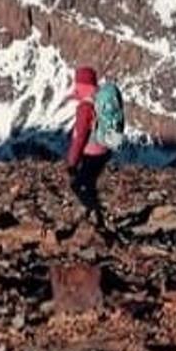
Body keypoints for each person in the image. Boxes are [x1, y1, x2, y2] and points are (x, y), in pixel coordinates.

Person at [64, 65, 115, 236]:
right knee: (90, 183)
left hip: (92, 152)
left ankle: (96, 213)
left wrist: (72, 162)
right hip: (106, 149)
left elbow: (80, 138)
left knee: (78, 184)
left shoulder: (85, 107)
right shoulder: (101, 99)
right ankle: (98, 216)